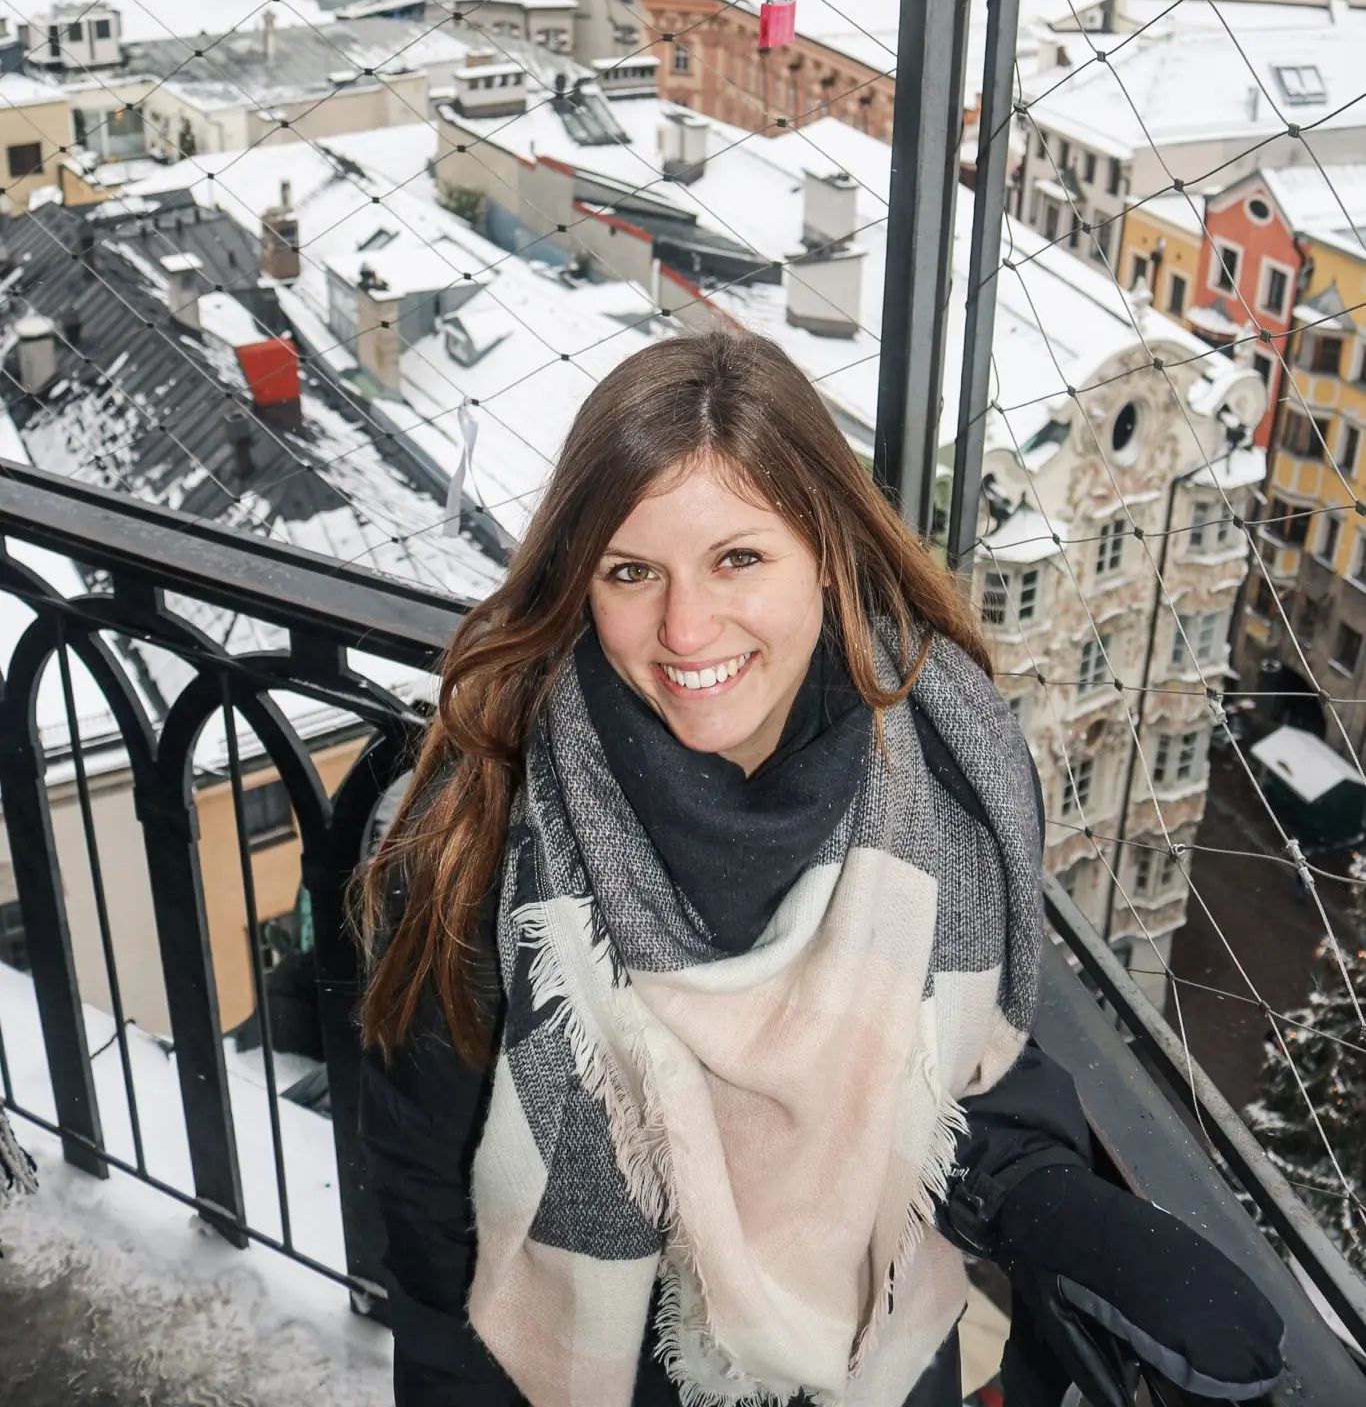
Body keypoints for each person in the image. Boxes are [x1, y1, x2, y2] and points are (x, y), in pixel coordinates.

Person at [357, 332, 1285, 1407]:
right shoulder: (485, 823)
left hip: (873, 1362)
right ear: (580, 578)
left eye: (738, 557)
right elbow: (427, 1203)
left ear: (827, 552)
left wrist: (1044, 1192)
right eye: (630, 570)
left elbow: (944, 1069)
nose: (685, 627)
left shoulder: (948, 772)